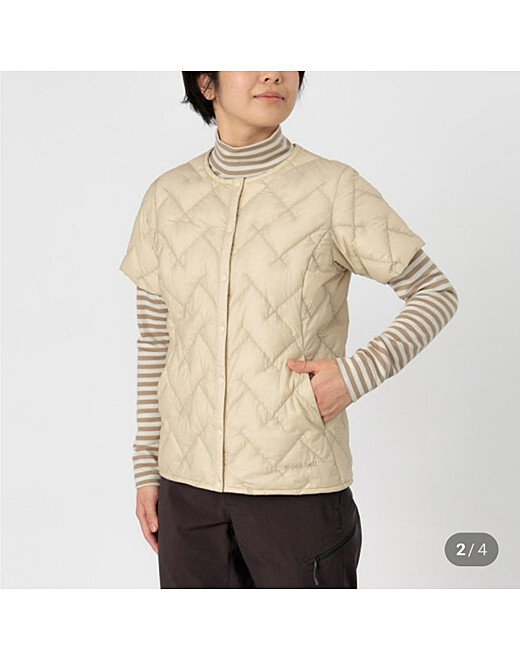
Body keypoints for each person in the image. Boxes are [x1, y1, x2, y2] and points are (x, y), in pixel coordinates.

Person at [119, 71, 459, 588]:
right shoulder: (166, 197)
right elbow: (156, 342)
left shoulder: (334, 188)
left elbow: (435, 292)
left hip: (298, 491)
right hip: (187, 492)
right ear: (206, 84)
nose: (274, 72)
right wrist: (147, 468)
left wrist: (355, 375)